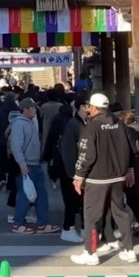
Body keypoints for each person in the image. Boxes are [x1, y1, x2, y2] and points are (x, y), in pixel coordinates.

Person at [71, 93, 137, 266]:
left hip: (97, 178)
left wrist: (79, 175)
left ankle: (90, 252)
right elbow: (131, 149)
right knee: (121, 213)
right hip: (118, 177)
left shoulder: (92, 127)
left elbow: (86, 154)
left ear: (94, 108)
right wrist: (130, 169)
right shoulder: (119, 124)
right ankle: (129, 250)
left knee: (91, 216)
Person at [10, 98, 59, 234]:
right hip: (27, 164)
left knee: (41, 195)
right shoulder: (19, 124)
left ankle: (43, 222)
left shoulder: (30, 122)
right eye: (32, 108)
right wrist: (22, 164)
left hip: (35, 163)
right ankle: (18, 223)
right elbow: (16, 146)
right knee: (25, 195)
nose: (35, 110)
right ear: (25, 109)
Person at [54, 99, 87, 243]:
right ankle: (68, 229)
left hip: (78, 170)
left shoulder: (83, 123)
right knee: (72, 201)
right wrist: (73, 174)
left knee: (80, 201)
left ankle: (83, 229)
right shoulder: (73, 124)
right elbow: (68, 152)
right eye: (88, 105)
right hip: (71, 171)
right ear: (81, 107)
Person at [118, 108, 139, 237]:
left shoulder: (129, 132)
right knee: (136, 200)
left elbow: (129, 152)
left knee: (133, 201)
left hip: (132, 171)